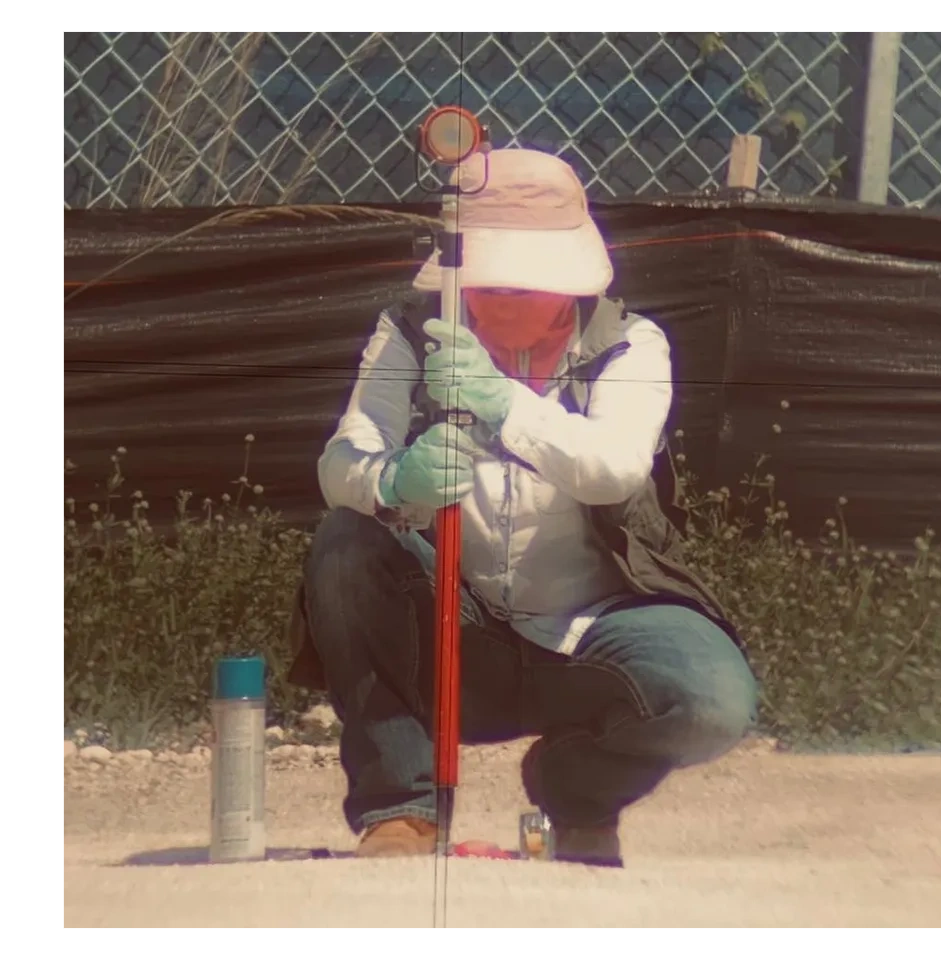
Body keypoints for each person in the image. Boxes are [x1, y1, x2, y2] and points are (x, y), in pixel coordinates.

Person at [286, 147, 758, 867]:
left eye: (524, 283)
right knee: (348, 540)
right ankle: (400, 809)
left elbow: (613, 469)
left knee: (711, 700)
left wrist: (505, 404)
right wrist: (392, 486)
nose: (501, 298)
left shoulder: (631, 345)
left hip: (601, 625)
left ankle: (575, 791)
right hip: (455, 627)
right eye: (487, 282)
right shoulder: (409, 333)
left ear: (569, 280)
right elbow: (341, 460)